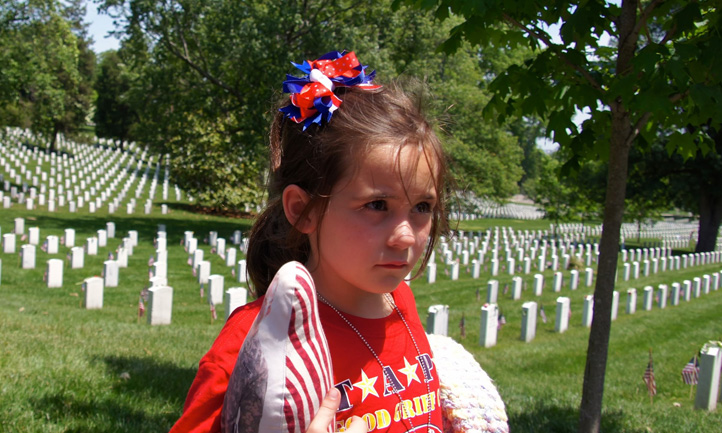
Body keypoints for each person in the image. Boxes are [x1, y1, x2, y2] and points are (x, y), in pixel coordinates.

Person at [170, 50, 450, 433]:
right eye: (377, 205)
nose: (405, 236)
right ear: (304, 211)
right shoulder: (253, 341)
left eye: (421, 206)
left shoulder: (401, 301)